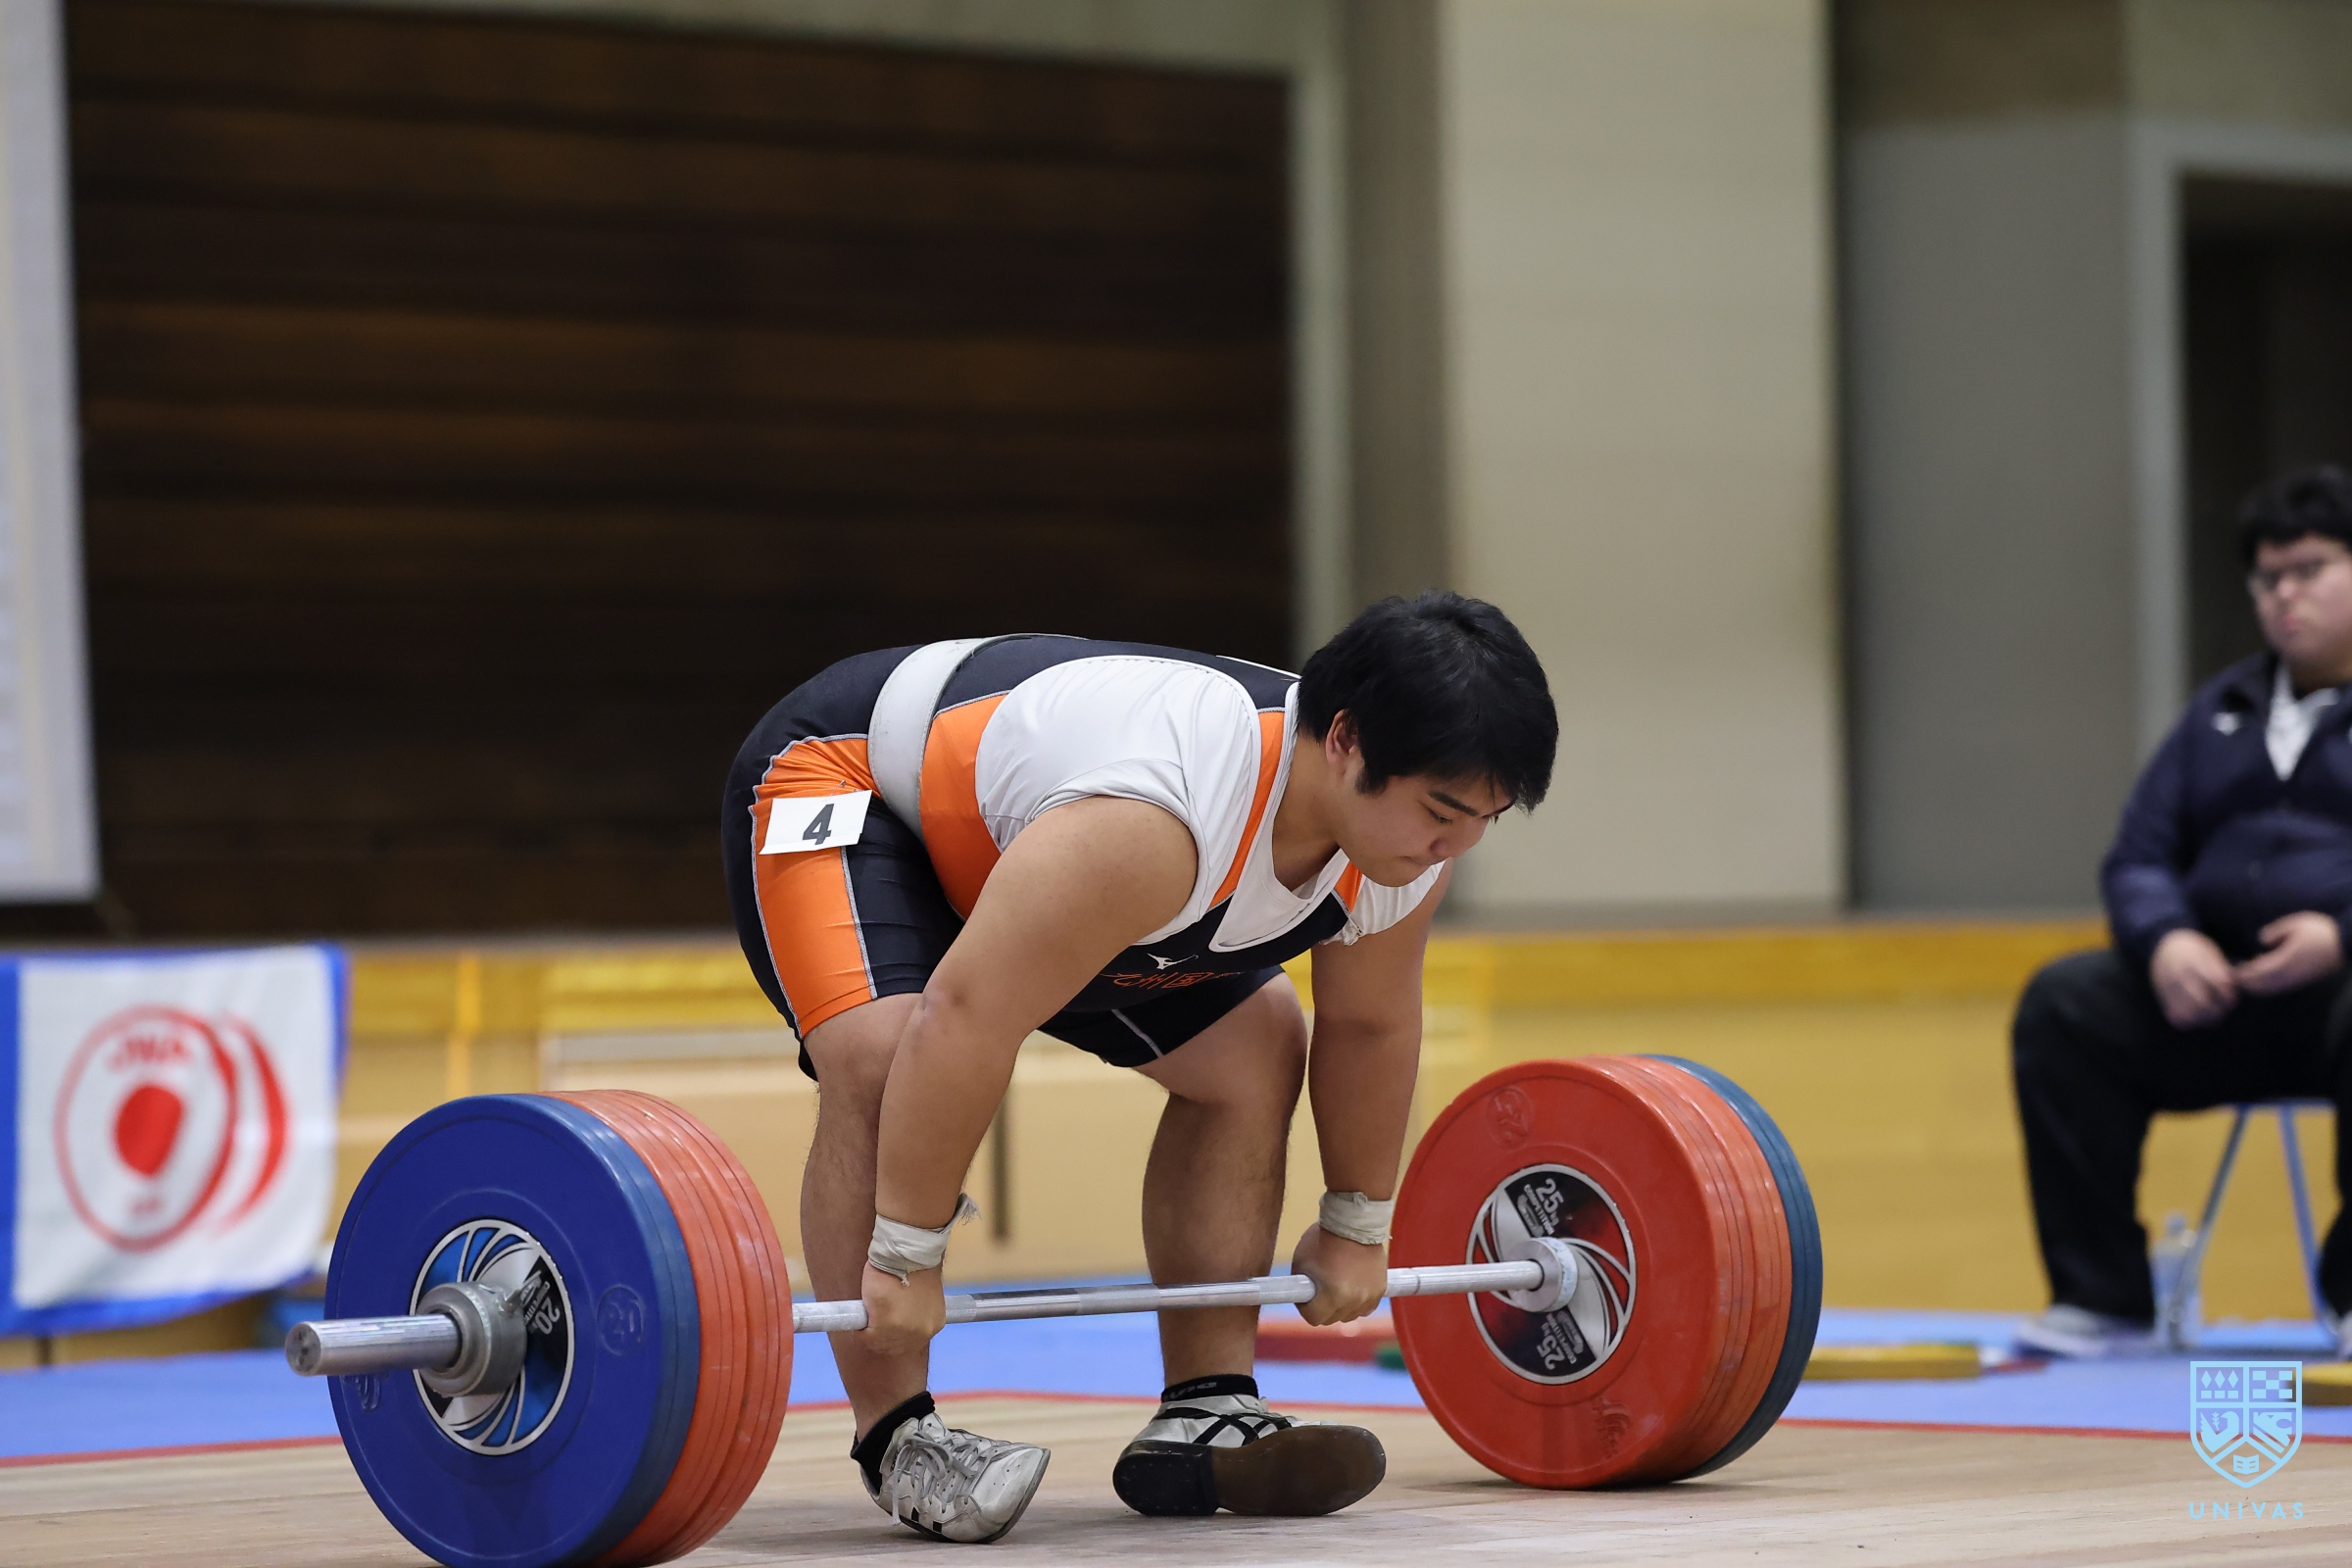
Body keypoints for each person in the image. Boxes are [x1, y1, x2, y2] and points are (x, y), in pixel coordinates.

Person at [721, 594, 1558, 1542]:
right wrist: (904, 1255)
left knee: (1255, 1048)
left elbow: (1368, 1025)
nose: (1456, 845)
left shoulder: (1402, 850)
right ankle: (899, 1436)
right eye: (1443, 810)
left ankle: (1206, 1410)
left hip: (1037, 844)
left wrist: (1357, 1224)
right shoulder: (1157, 819)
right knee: (882, 1056)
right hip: (855, 780)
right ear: (1345, 741)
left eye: (1486, 819)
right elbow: (967, 1019)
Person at [2012, 466, 2352, 1359]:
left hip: (2339, 999)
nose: (2285, 595)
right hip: (2216, 999)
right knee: (2066, 1004)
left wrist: (2340, 935)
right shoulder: (2219, 713)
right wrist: (2167, 940)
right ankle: (2102, 1294)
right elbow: (2138, 856)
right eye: (2267, 578)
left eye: (2310, 570)